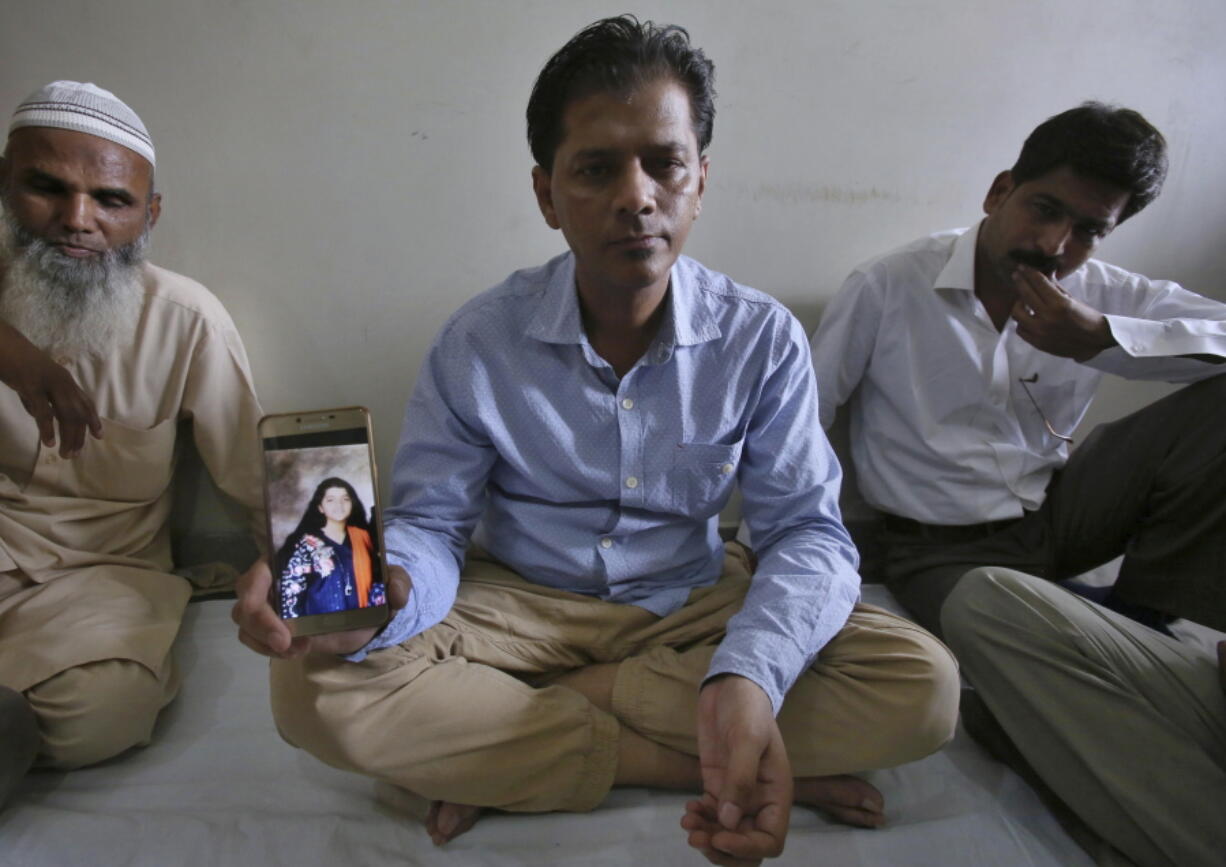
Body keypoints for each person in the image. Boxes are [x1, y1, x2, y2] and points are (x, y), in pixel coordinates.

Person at [236, 16, 958, 865]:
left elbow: (806, 532)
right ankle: (696, 759)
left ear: (700, 180)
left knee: (926, 689)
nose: (636, 196)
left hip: (691, 601)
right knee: (308, 688)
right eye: (596, 168)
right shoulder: (477, 342)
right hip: (516, 605)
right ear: (547, 194)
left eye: (664, 162)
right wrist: (391, 591)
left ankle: (519, 740)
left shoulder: (760, 337)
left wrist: (749, 672)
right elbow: (432, 527)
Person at [810, 103, 1226, 866]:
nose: (1056, 246)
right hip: (937, 548)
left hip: (1060, 511)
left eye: (1090, 229)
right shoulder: (889, 285)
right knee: (986, 608)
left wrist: (1107, 338)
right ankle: (1047, 691)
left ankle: (1144, 628)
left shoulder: (1099, 292)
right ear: (999, 191)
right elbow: (803, 418)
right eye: (1043, 209)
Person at [0, 81, 264, 809]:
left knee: (106, 709)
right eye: (45, 189)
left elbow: (260, 486)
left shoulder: (185, 322)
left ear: (148, 215)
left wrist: (312, 582)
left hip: (94, 582)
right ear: (4, 185)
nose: (75, 221)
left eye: (109, 200)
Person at [276, 477, 381, 618]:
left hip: (361, 621)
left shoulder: (363, 537)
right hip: (318, 626)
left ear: (352, 504)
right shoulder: (305, 544)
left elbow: (378, 579)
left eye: (345, 499)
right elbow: (291, 593)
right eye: (331, 500)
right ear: (320, 507)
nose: (339, 505)